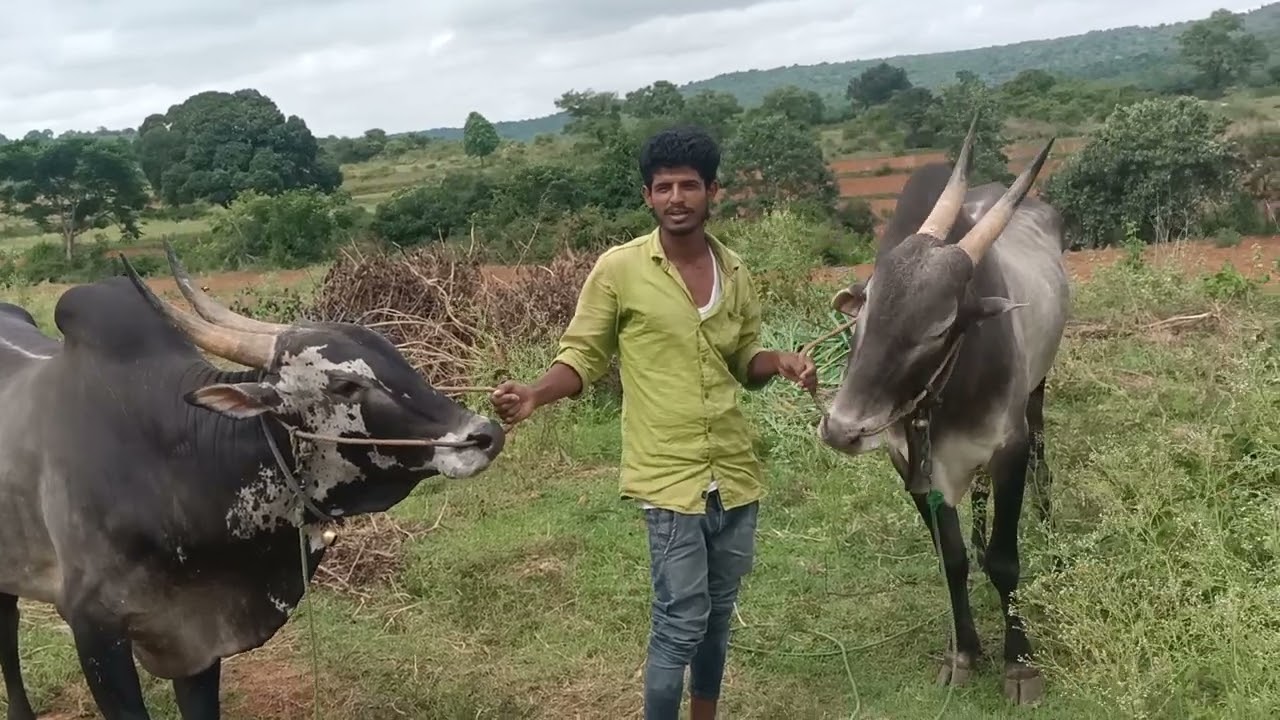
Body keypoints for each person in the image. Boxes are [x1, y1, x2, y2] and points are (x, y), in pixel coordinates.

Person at [489, 125, 816, 720]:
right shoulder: (620, 269)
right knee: (677, 620)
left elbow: (745, 362)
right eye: (662, 187)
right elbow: (584, 354)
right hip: (668, 477)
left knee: (718, 613)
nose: (676, 198)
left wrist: (781, 362)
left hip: (735, 473)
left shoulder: (736, 271)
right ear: (647, 196)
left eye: (689, 185)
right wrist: (536, 393)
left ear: (712, 191)